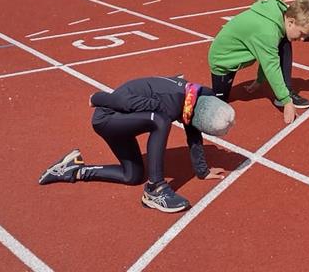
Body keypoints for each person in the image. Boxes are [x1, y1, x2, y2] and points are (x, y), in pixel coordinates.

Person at [39, 75, 235, 214]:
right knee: (160, 120)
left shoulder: (199, 95)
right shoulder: (168, 104)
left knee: (131, 175)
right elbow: (125, 102)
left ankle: (72, 169)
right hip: (108, 118)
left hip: (125, 119)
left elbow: (193, 129)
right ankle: (155, 189)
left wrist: (202, 171)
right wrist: (97, 97)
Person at [208, 0, 309, 124]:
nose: (302, 39)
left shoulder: (279, 16)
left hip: (233, 58)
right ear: (291, 22)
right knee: (217, 106)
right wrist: (286, 101)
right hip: (222, 61)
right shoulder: (268, 32)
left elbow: (268, 55)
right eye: (302, 34)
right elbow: (271, 65)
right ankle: (190, 95)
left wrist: (260, 80)